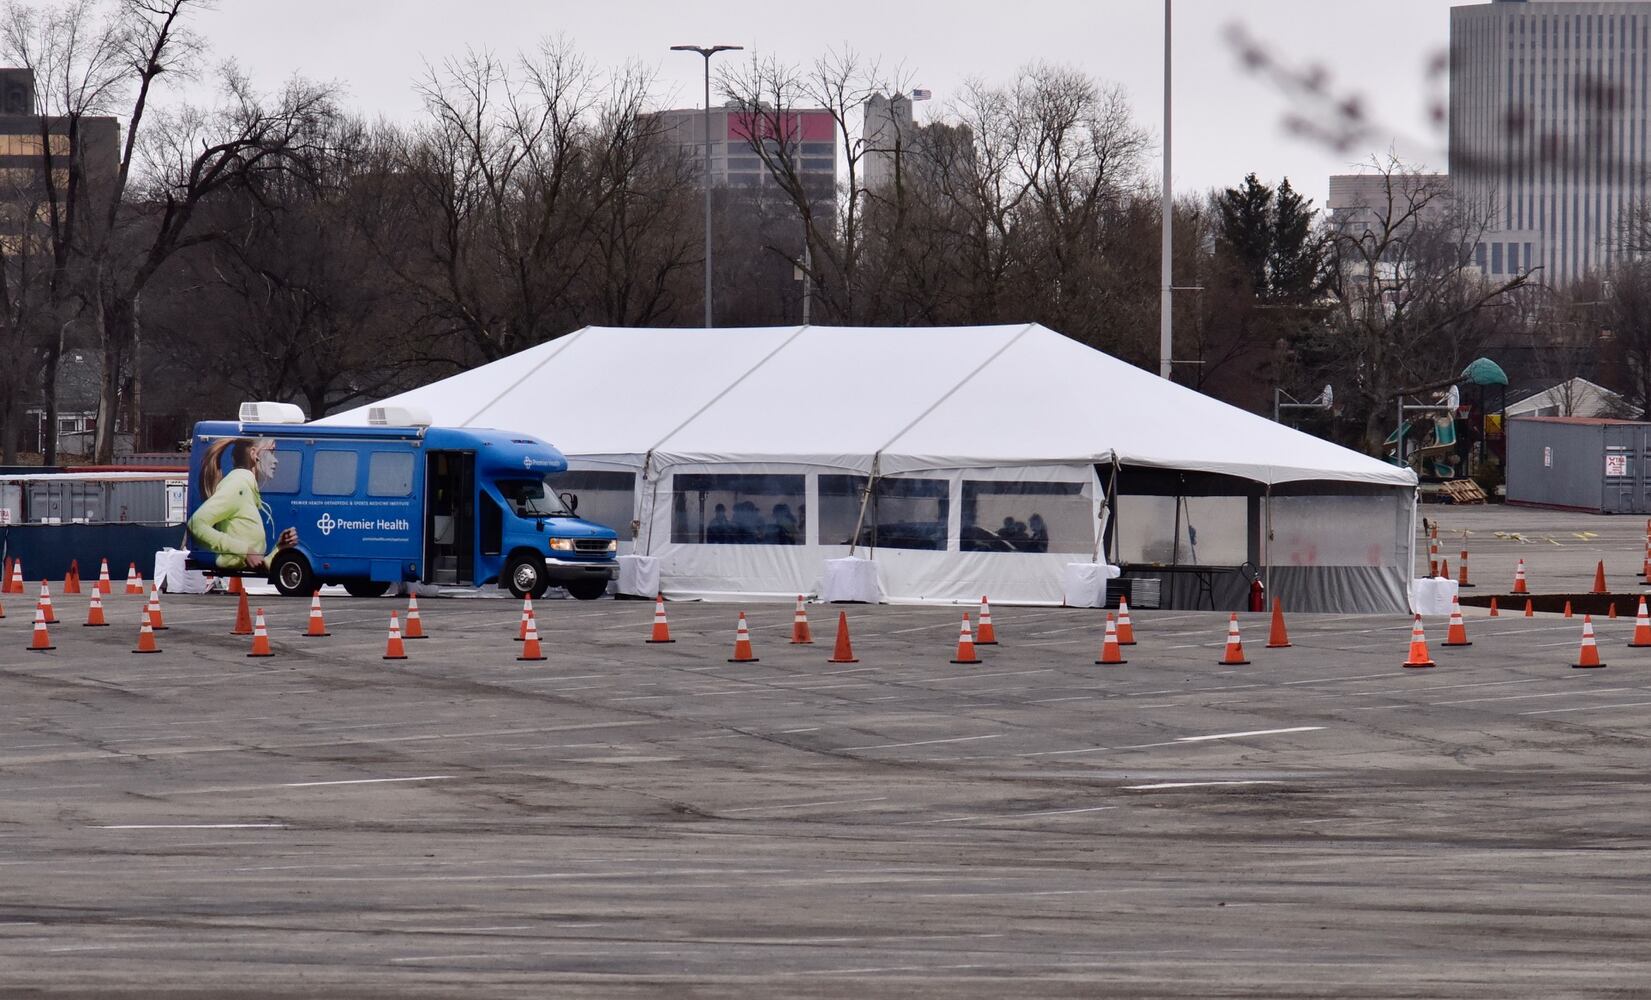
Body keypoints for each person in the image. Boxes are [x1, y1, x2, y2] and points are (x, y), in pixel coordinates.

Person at [188, 437, 298, 571]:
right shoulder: (237, 485)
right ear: (254, 454)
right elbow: (196, 523)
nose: (276, 460)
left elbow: (259, 565)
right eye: (271, 451)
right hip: (233, 576)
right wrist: (244, 550)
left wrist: (279, 548)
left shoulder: (248, 488)